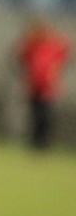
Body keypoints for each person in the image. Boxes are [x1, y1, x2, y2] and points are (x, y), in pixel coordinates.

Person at [18, 18, 71, 149]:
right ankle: (35, 142)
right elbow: (22, 59)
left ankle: (44, 142)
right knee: (35, 114)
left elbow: (66, 50)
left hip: (48, 86)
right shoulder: (32, 46)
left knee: (46, 115)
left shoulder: (53, 46)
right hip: (34, 85)